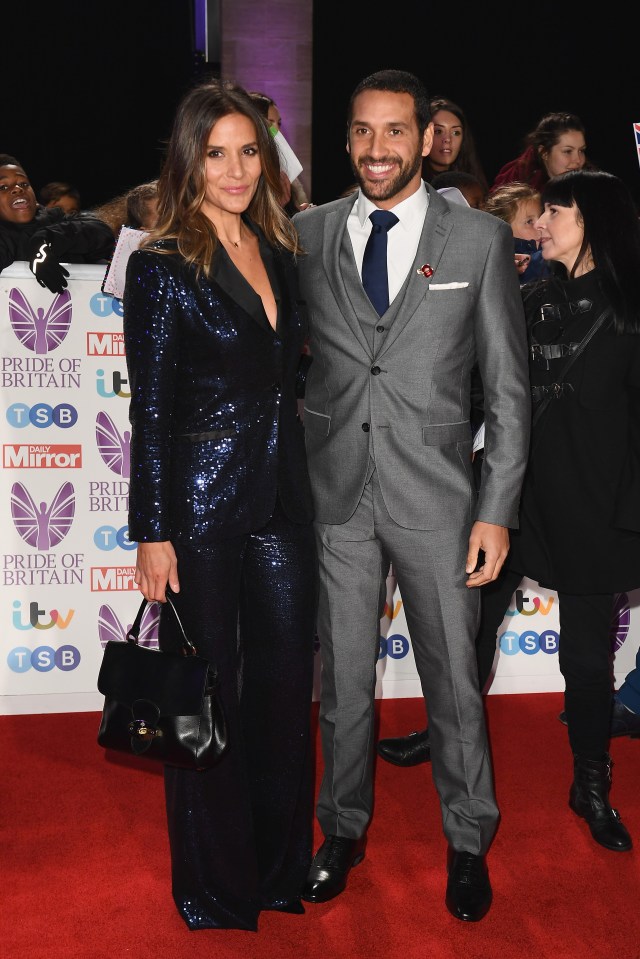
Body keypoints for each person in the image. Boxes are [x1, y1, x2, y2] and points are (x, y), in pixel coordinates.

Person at [292, 69, 530, 922]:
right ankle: (342, 828)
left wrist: (495, 508)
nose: (378, 149)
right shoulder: (307, 233)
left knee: (453, 685)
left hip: (438, 500)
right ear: (348, 137)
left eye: (396, 132)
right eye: (363, 132)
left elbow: (507, 391)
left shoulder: (475, 240)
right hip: (336, 498)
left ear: (427, 137)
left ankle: (467, 839)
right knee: (344, 679)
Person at [386, 169, 640, 853]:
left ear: (600, 222)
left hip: (596, 514)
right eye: (542, 212)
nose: (541, 224)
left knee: (586, 664)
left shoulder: (631, 309)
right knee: (468, 631)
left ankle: (590, 782)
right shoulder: (527, 298)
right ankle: (443, 738)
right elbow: (481, 387)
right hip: (510, 505)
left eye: (558, 213)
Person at [122, 78, 318, 931]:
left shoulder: (280, 253)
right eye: (218, 153)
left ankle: (278, 866)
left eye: (250, 150)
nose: (238, 169)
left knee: (282, 690)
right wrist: (152, 531)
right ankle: (214, 883)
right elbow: (152, 407)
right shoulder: (164, 265)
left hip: (283, 502)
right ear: (188, 160)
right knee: (209, 698)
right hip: (199, 512)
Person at [0, 154, 114, 291]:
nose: (18, 189)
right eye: (3, 187)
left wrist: (45, 239)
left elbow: (103, 233)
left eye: (24, 184)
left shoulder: (55, 218)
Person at [490, 112, 588, 193]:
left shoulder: (592, 185)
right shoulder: (515, 185)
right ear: (544, 153)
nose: (578, 160)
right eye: (568, 151)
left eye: (581, 150)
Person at [249, 91, 312, 213]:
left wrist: (299, 212)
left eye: (278, 123)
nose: (277, 130)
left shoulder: (284, 168)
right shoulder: (253, 170)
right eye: (270, 123)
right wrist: (277, 206)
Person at [484, 181, 550, 282]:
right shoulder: (511, 263)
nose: (541, 224)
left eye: (541, 216)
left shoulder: (548, 245)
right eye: (529, 221)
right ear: (505, 231)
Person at [422, 96, 488, 193]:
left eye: (456, 133)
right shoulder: (412, 184)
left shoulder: (474, 183)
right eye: (438, 131)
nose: (447, 139)